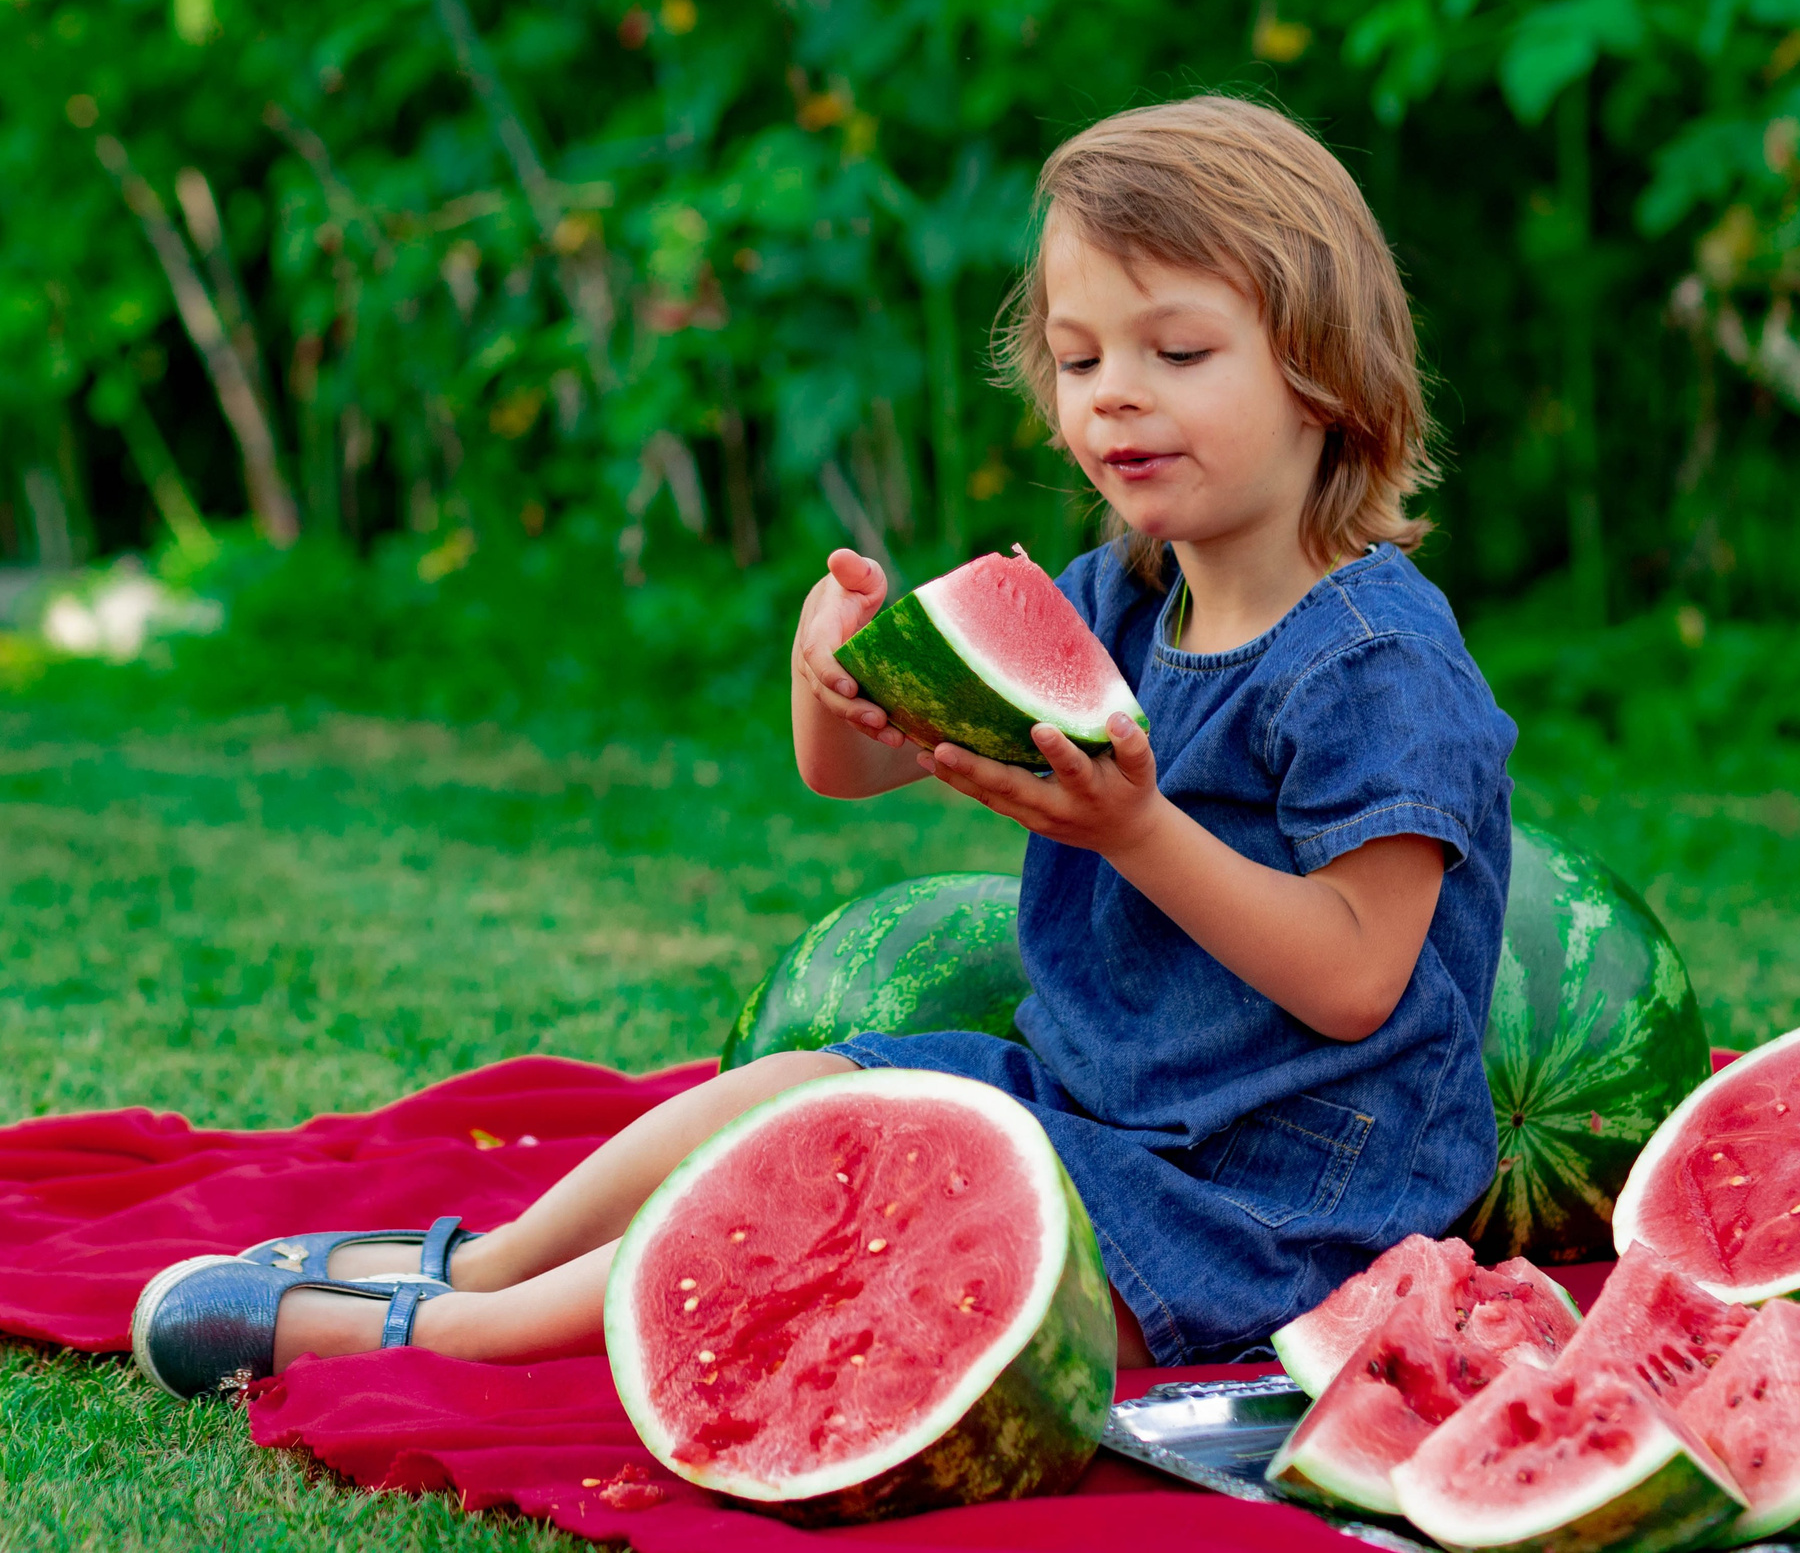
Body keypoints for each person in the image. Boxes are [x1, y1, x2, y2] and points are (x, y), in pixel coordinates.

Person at [128, 93, 1517, 1396]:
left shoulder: (1375, 661)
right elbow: (847, 773)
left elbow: (1357, 980)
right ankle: (480, 1262)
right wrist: (830, 680)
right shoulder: (1117, 600)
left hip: (1281, 1206)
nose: (1112, 395)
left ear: (1324, 373)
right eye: (1080, 357)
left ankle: (453, 1338)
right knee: (802, 1088)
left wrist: (1135, 834)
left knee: (852, 1191)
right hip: (1088, 1108)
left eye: (1178, 354)